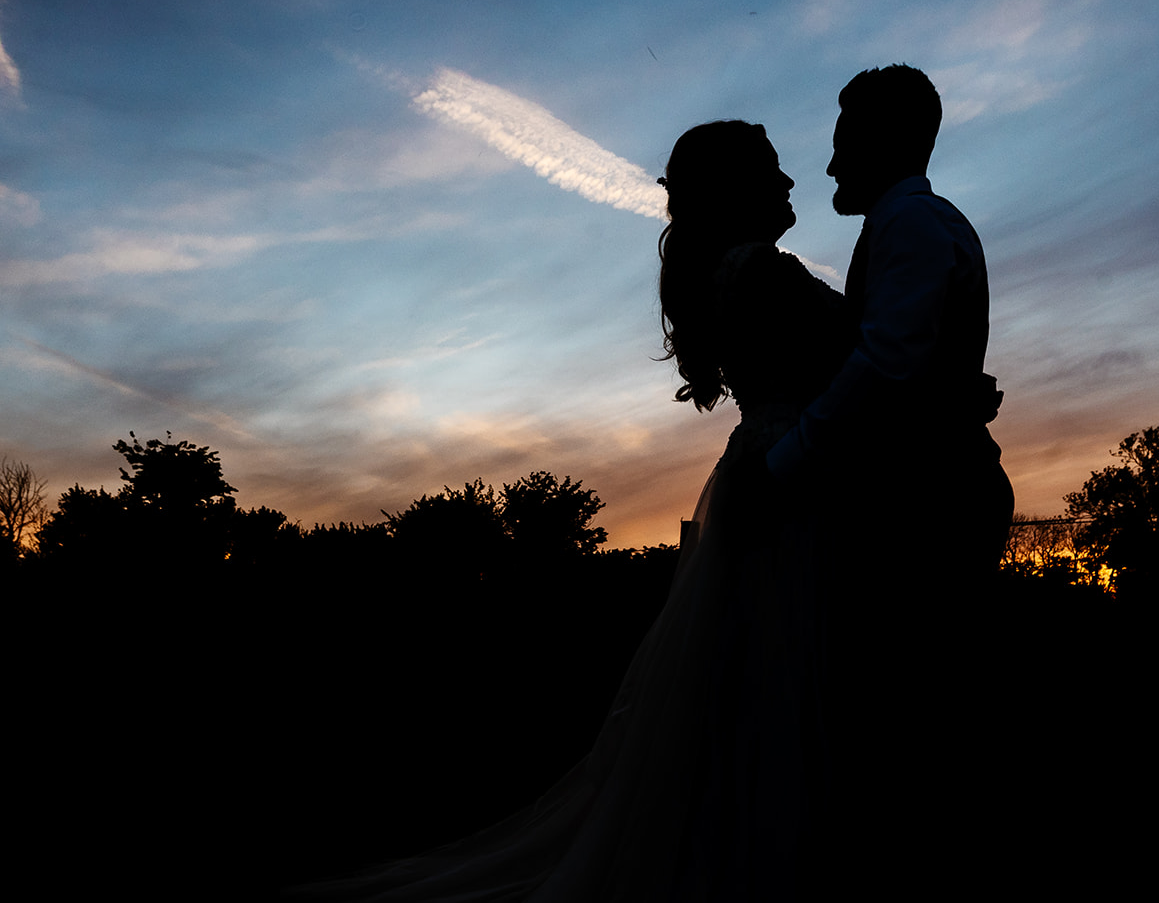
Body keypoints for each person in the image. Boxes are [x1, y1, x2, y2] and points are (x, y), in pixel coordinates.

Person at [289, 121, 852, 901]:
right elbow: (865, 363)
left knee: (744, 684)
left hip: (767, 471)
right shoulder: (760, 270)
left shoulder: (729, 270)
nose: (791, 184)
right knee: (775, 682)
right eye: (772, 171)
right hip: (785, 487)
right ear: (735, 191)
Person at [765, 64, 1013, 885]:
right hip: (932, 487)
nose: (831, 166)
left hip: (926, 501)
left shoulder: (910, 225)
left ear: (881, 141)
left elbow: (887, 364)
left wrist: (789, 459)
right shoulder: (922, 225)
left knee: (904, 714)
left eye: (842, 143)